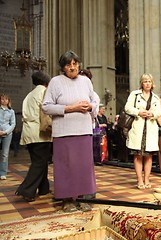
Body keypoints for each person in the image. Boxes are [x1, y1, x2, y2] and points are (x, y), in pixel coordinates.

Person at [42, 50, 98, 212]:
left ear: (79, 65)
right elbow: (46, 106)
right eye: (68, 64)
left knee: (83, 166)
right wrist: (71, 108)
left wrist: (91, 106)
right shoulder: (55, 82)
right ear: (63, 67)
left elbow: (95, 99)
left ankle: (83, 197)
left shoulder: (86, 81)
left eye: (75, 63)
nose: (72, 67)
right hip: (64, 132)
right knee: (66, 166)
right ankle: (67, 200)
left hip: (83, 130)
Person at [15, 71, 52, 202]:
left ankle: (44, 188)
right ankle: (26, 190)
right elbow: (47, 113)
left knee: (40, 162)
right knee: (39, 163)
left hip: (29, 133)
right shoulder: (44, 92)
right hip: (39, 133)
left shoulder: (29, 95)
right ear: (46, 81)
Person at [125, 73, 161, 189]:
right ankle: (139, 179)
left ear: (152, 84)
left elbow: (159, 112)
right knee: (138, 155)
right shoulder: (135, 95)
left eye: (149, 82)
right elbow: (127, 107)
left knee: (148, 155)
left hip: (150, 128)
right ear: (142, 83)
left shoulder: (155, 97)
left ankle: (147, 179)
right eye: (145, 81)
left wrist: (152, 114)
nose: (147, 84)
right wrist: (139, 112)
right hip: (138, 127)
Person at [0, 94, 16, 180]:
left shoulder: (11, 111)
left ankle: (3, 172)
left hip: (7, 134)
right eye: (2, 99)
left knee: (5, 154)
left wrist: (6, 132)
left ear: (8, 101)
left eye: (6, 99)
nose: (4, 101)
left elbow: (13, 124)